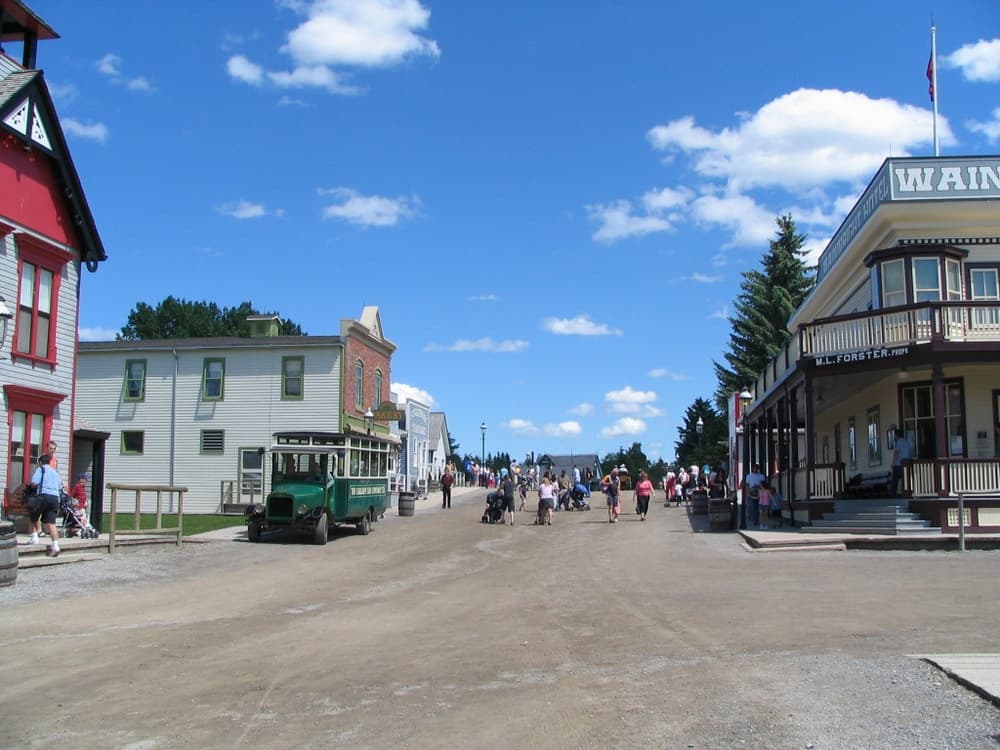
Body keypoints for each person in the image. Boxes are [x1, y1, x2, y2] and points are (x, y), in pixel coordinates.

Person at [26, 453, 62, 556]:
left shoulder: (41, 469)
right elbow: (59, 486)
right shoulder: (55, 473)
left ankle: (34, 538)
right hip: (55, 498)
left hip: (43, 496)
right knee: (52, 523)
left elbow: (34, 482)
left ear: (40, 462)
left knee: (33, 516)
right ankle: (55, 546)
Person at [891, 427, 912, 496]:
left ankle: (893, 493)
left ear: (897, 435)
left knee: (895, 480)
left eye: (895, 435)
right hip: (906, 463)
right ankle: (906, 492)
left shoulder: (899, 442)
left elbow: (896, 453)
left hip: (899, 464)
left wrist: (893, 463)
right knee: (905, 479)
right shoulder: (906, 442)